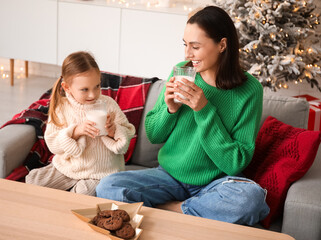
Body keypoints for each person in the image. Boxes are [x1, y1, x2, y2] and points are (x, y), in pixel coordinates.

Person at [96, 6, 270, 225]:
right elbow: (154, 135)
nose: (187, 54)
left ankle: (172, 209)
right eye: (185, 45)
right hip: (168, 177)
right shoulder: (181, 71)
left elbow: (235, 164)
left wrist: (204, 110)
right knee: (108, 186)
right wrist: (170, 109)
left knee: (250, 200)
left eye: (195, 47)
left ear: (222, 45)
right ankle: (195, 212)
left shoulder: (249, 90)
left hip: (216, 183)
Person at [26, 51, 135, 196]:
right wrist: (76, 131)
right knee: (33, 180)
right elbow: (53, 144)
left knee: (82, 193)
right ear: (67, 88)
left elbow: (127, 133)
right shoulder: (62, 108)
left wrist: (113, 131)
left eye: (97, 86)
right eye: (85, 89)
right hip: (70, 168)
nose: (92, 94)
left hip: (100, 172)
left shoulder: (108, 104)